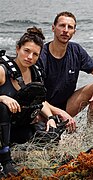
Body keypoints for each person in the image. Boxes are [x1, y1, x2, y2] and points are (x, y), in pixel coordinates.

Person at [0, 27, 58, 177]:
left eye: (35, 54)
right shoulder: (2, 71)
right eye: (26, 51)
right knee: (2, 107)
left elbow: (41, 100)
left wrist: (51, 118)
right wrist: (2, 97)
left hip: (16, 126)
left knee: (49, 137)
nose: (29, 57)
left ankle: (12, 147)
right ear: (17, 49)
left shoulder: (35, 73)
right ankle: (5, 160)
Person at [37, 12, 93, 131]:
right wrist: (56, 113)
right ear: (53, 28)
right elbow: (36, 98)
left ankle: (91, 132)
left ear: (74, 31)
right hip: (44, 109)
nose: (65, 30)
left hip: (68, 105)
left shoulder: (76, 50)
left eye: (70, 27)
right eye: (62, 25)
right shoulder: (41, 55)